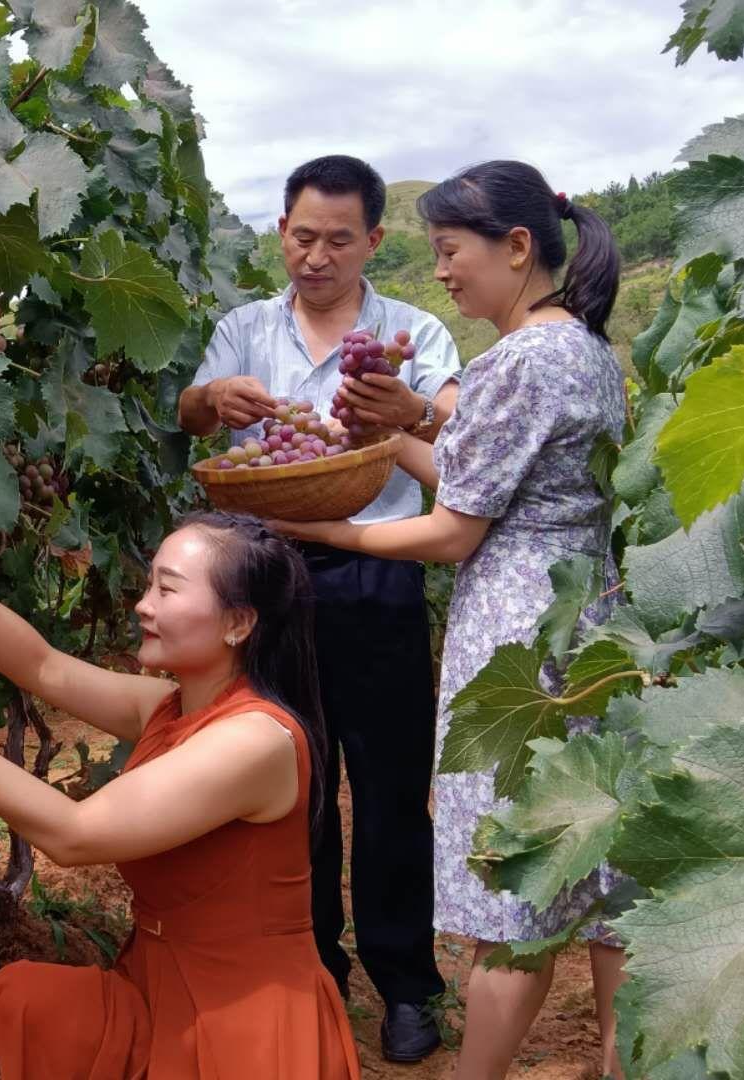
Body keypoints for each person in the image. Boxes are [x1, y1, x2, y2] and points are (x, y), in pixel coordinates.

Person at [270, 160, 630, 1080]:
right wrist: (396, 440)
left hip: (516, 640)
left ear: (518, 248)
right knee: (597, 866)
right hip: (583, 616)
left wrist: (327, 523)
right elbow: (490, 486)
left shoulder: (518, 361)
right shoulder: (583, 347)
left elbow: (456, 531)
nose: (442, 272)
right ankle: (623, 1059)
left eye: (451, 251)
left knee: (513, 882)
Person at [0, 513, 358, 1080]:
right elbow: (43, 667)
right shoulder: (174, 705)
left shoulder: (255, 741)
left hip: (241, 1019)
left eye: (167, 589)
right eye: (150, 585)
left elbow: (73, 835)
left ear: (238, 623)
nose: (143, 604)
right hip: (157, 983)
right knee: (18, 1006)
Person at [177, 154, 456, 1061]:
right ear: (282, 232)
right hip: (265, 583)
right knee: (291, 790)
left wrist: (407, 411)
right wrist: (213, 399)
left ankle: (408, 982)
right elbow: (187, 411)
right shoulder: (244, 329)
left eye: (340, 239)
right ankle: (315, 974)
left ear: (374, 240)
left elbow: (455, 426)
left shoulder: (413, 331)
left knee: (386, 791)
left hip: (377, 574)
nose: (317, 256)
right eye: (303, 236)